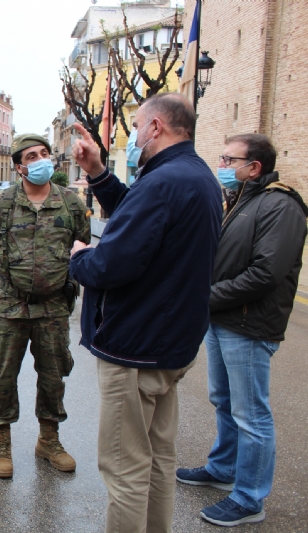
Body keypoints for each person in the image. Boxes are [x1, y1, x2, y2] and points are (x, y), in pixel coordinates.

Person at [69, 93, 222, 533]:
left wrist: (80, 256)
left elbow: (111, 265)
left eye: (137, 127)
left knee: (125, 467)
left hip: (137, 345)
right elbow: (141, 222)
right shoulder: (195, 176)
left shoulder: (163, 182)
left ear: (156, 127)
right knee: (157, 459)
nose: (134, 137)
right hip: (169, 345)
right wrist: (98, 172)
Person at [176, 134, 308, 528]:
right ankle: (223, 468)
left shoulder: (281, 206)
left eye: (228, 159)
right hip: (224, 317)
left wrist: (206, 297)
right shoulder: (240, 201)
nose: (222, 164)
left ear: (254, 168)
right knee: (224, 400)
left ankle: (250, 497)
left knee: (252, 414)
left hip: (249, 323)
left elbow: (266, 273)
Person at [0, 134, 89, 479]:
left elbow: (82, 245)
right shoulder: (0, 204)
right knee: (2, 375)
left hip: (53, 308)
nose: (40, 159)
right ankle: (2, 444)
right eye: (31, 156)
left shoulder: (70, 203)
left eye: (44, 153)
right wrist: (10, 282)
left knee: (53, 377)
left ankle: (49, 440)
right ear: (19, 166)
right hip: (10, 308)